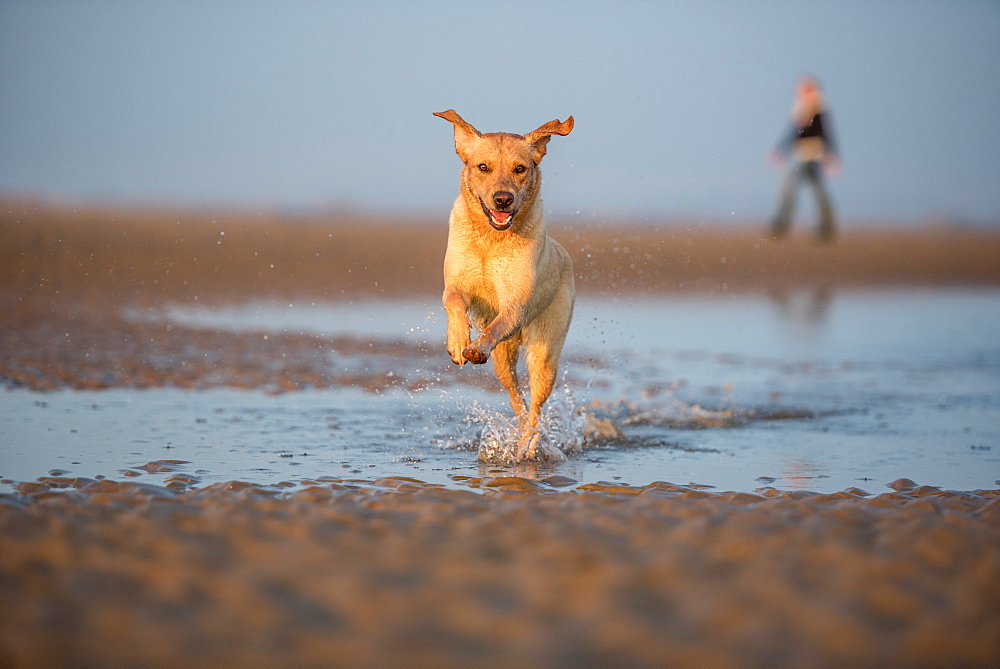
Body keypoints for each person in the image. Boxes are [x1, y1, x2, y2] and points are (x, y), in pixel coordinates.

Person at [769, 75, 841, 243]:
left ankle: (781, 224)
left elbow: (825, 132)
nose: (798, 91)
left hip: (810, 154)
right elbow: (793, 133)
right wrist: (781, 150)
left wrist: (832, 155)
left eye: (802, 88)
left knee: (790, 186)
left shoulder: (817, 106)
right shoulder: (801, 107)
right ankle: (826, 226)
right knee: (817, 190)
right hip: (802, 153)